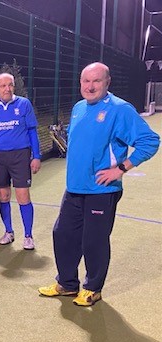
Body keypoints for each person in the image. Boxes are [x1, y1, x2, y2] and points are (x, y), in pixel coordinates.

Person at [38, 62, 159, 306]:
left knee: (93, 240)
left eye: (96, 81)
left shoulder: (119, 109)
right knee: (62, 235)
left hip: (101, 190)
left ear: (107, 82)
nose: (90, 86)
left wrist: (121, 168)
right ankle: (67, 284)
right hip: (74, 188)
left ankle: (93, 288)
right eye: (85, 81)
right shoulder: (78, 107)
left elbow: (150, 141)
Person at [0, 72, 41, 250]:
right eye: (3, 86)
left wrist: (36, 156)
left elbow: (32, 131)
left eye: (10, 85)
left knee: (23, 196)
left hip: (20, 155)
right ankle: (8, 231)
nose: (7, 89)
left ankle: (28, 236)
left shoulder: (24, 104)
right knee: (3, 195)